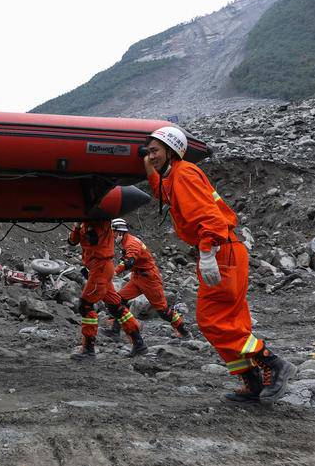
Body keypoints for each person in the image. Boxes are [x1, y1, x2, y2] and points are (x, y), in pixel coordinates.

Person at [144, 126, 296, 405]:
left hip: (219, 250)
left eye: (154, 151)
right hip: (226, 250)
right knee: (232, 321)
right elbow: (163, 192)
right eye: (148, 151)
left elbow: (210, 218)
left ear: (171, 151)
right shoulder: (177, 175)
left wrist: (206, 253)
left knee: (211, 320)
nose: (150, 155)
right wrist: (149, 167)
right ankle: (252, 382)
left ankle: (274, 365)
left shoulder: (184, 175)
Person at [68, 219, 148, 360]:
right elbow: (72, 242)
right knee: (115, 306)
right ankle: (139, 344)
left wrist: (86, 225)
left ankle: (88, 349)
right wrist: (77, 225)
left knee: (85, 306)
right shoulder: (84, 224)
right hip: (98, 268)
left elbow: (93, 239)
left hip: (101, 268)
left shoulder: (102, 222)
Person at [102, 218, 192, 340]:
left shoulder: (131, 243)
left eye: (113, 233)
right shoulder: (126, 240)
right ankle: (116, 331)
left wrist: (114, 272)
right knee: (119, 300)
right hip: (137, 277)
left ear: (120, 232)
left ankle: (184, 332)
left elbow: (129, 261)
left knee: (163, 311)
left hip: (149, 279)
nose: (112, 236)